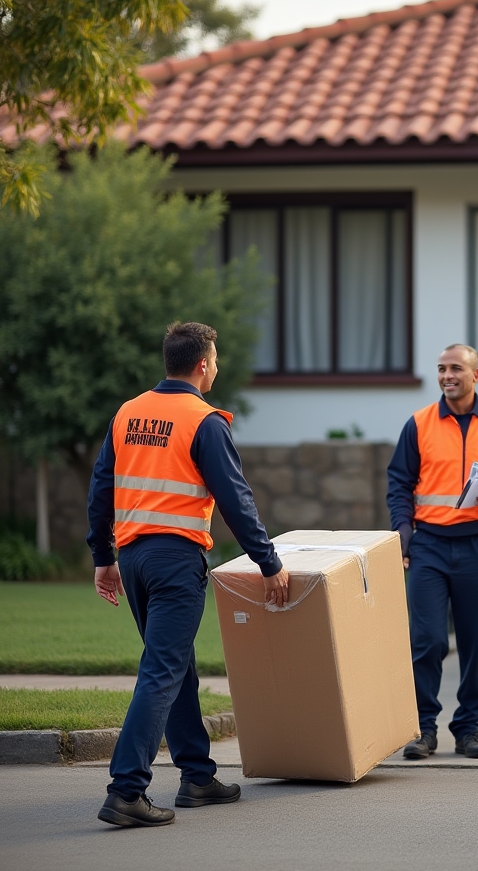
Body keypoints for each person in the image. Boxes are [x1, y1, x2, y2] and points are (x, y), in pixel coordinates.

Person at [87, 322, 290, 828]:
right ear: (202, 364)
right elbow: (236, 500)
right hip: (175, 562)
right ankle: (126, 790)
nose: (217, 366)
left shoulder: (128, 413)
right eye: (216, 359)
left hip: (133, 560)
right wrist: (269, 562)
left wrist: (102, 556)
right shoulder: (205, 421)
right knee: (162, 671)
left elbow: (100, 490)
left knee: (174, 666)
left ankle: (197, 777)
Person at [388, 344, 478, 759]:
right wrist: (403, 532)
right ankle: (423, 729)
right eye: (441, 369)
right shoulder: (418, 425)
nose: (447, 375)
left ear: (476, 376)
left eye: (455, 368)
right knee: (428, 640)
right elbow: (399, 483)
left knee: (475, 643)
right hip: (429, 547)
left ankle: (469, 729)